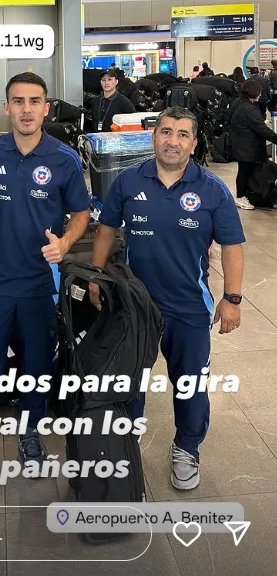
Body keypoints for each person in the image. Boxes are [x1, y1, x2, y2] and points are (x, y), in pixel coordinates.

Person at [90, 106, 245, 490]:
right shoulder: (128, 180)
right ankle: (127, 442)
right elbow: (106, 230)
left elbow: (232, 245)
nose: (172, 140)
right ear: (153, 136)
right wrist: (96, 276)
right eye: (166, 131)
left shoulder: (212, 189)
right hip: (135, 305)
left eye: (182, 134)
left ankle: (187, 447)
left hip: (189, 307)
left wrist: (232, 298)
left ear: (193, 144)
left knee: (190, 383)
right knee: (129, 382)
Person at [0, 72, 91, 484]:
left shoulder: (64, 159)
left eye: (35, 101)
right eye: (18, 101)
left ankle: (30, 431)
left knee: (36, 366)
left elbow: (81, 214)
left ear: (46, 108)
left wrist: (65, 243)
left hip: (41, 285)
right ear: (7, 107)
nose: (27, 109)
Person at [228, 78, 277, 210]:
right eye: (259, 92)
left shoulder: (238, 102)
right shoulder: (248, 109)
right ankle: (241, 197)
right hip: (248, 146)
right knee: (245, 171)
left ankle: (246, 195)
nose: (261, 95)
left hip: (241, 144)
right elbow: (262, 129)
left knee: (245, 171)